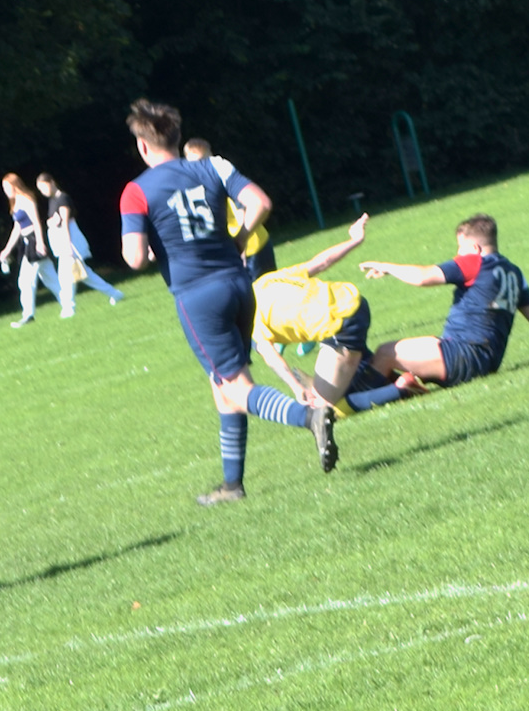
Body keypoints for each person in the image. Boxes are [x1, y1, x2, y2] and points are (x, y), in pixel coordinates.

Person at [121, 101, 336, 505]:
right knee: (222, 384)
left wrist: (152, 245)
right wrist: (239, 239)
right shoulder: (212, 166)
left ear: (143, 147)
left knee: (237, 388)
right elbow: (261, 203)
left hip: (198, 296)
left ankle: (309, 416)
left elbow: (134, 258)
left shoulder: (136, 191)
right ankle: (232, 485)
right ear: (176, 138)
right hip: (239, 285)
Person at [251, 214, 422, 417]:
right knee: (347, 371)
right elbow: (321, 262)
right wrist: (354, 240)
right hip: (354, 301)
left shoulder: (248, 320)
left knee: (322, 409)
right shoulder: (265, 282)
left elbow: (272, 358)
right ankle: (385, 376)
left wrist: (297, 387)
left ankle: (400, 389)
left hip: (338, 327)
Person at [359, 214, 529, 387]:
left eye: (460, 247)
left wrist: (386, 267)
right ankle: (404, 388)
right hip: (488, 362)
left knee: (386, 352)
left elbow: (423, 277)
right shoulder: (514, 273)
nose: (458, 254)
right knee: (415, 353)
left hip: (462, 355)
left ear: (474, 247)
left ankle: (361, 399)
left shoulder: (474, 262)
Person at [183, 137, 277, 278]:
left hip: (253, 247)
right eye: (194, 164)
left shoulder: (222, 179)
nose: (199, 167)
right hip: (234, 249)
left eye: (203, 161)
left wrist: (242, 250)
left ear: (211, 157)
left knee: (264, 289)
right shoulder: (193, 187)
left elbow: (241, 213)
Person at [36, 171, 125, 316]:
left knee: (66, 276)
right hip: (62, 242)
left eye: (43, 187)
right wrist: (50, 223)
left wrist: (67, 245)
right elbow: (54, 220)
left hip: (70, 241)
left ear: (51, 182)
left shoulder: (63, 199)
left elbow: (65, 222)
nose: (42, 192)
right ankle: (114, 293)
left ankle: (69, 307)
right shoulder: (53, 201)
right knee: (86, 275)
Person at [0, 173, 52, 327]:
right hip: (26, 243)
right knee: (51, 279)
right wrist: (7, 250)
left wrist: (40, 243)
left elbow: (36, 222)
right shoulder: (15, 203)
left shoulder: (26, 199)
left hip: (34, 241)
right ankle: (69, 306)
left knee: (25, 281)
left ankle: (28, 315)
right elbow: (17, 229)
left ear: (15, 185)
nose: (5, 191)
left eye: (7, 187)